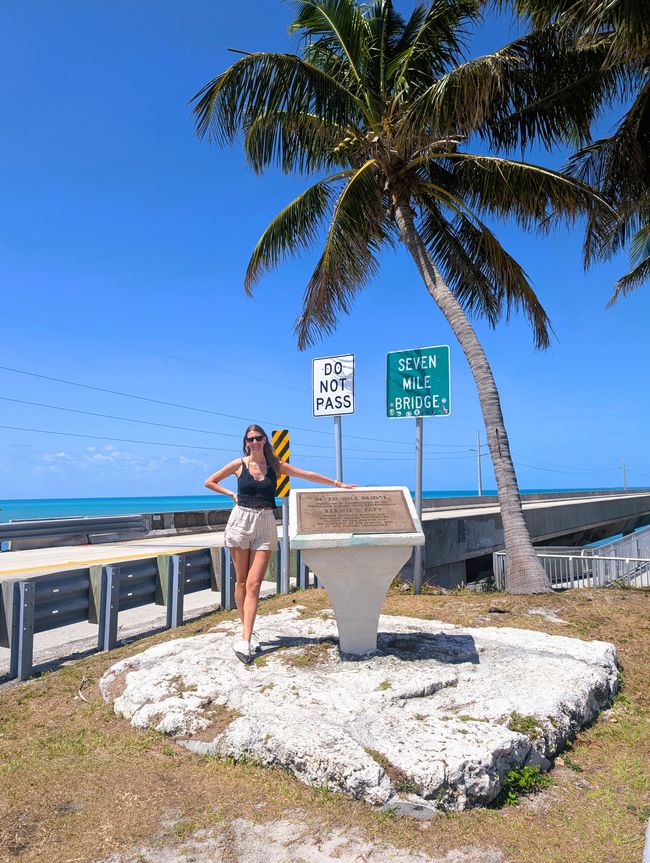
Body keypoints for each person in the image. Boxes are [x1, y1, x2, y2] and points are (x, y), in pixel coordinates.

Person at [204, 423, 356, 664]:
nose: (254, 442)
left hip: (265, 521)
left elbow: (306, 474)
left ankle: (244, 640)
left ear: (265, 440)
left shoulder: (275, 466)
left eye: (258, 438)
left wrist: (338, 485)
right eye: (250, 439)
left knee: (255, 584)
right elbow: (209, 481)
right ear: (246, 442)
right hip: (241, 520)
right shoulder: (239, 464)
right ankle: (247, 632)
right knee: (241, 581)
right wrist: (231, 494)